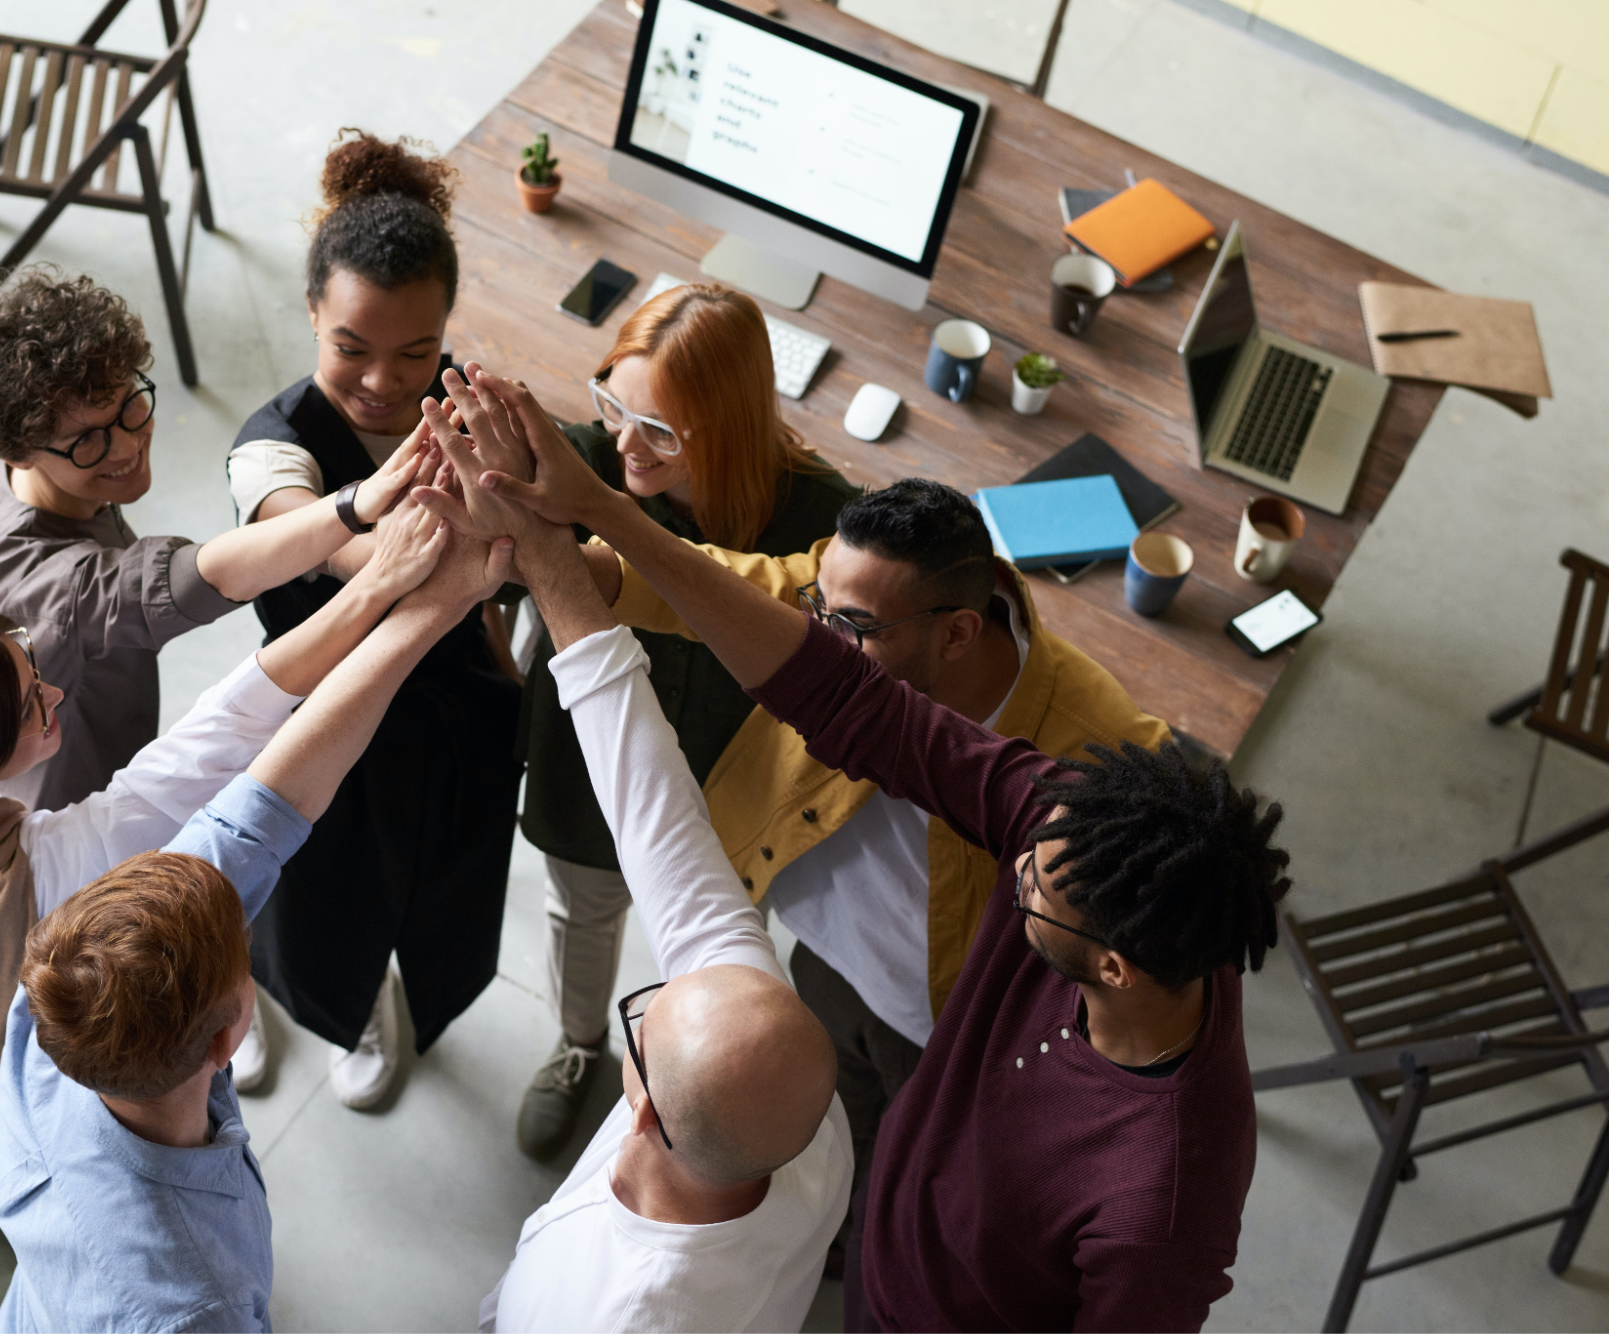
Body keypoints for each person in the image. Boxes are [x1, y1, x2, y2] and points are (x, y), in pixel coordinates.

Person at [435, 367, 1293, 1333]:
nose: (1012, 866)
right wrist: (587, 518)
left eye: (1031, 892)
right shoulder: (1073, 827)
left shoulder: (1164, 1199)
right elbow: (844, 697)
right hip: (879, 1231)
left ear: (1108, 964)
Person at [0, 500, 447, 1334]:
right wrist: (376, 595)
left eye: (30, 669)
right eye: (33, 704)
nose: (55, 694)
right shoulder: (47, 876)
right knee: (13, 1294)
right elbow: (219, 737)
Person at [602, 479, 1170, 1274]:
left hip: (933, 1021)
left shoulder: (1094, 747)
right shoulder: (852, 589)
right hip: (823, 958)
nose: (820, 642)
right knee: (820, 1129)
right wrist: (593, 570)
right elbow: (725, 583)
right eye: (820, 607)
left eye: (854, 628)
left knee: (897, 1189)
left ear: (959, 632)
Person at [0, 525, 515, 1332]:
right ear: (227, 1037)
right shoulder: (195, 1302)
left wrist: (436, 603)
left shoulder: (55, 1008)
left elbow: (263, 808)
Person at [410, 381, 851, 1335]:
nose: (666, 983)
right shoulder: (803, 1125)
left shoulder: (622, 1311)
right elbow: (660, 820)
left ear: (639, 1104)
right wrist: (546, 553)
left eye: (639, 1018)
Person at [0, 268, 422, 1089]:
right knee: (167, 918)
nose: (124, 444)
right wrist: (356, 507)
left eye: (131, 405)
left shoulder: (5, 489)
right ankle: (214, 1005)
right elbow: (198, 577)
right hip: (69, 814)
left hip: (94, 768)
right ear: (16, 446)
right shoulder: (50, 584)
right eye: (87, 439)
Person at [512, 283, 857, 1161]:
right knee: (581, 914)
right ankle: (579, 1043)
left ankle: (682, 1090)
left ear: (731, 426)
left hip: (736, 801)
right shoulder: (578, 463)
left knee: (708, 964)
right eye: (611, 404)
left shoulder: (825, 526)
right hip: (589, 775)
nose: (623, 443)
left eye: (659, 429)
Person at [223, 130, 521, 1108]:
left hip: (447, 712)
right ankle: (254, 1000)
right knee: (297, 891)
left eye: (416, 353)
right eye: (350, 347)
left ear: (448, 333)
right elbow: (308, 533)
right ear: (311, 311)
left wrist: (501, 649)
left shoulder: (478, 416)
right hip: (318, 709)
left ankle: (372, 1010)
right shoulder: (271, 450)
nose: (384, 382)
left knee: (434, 897)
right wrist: (404, 555)